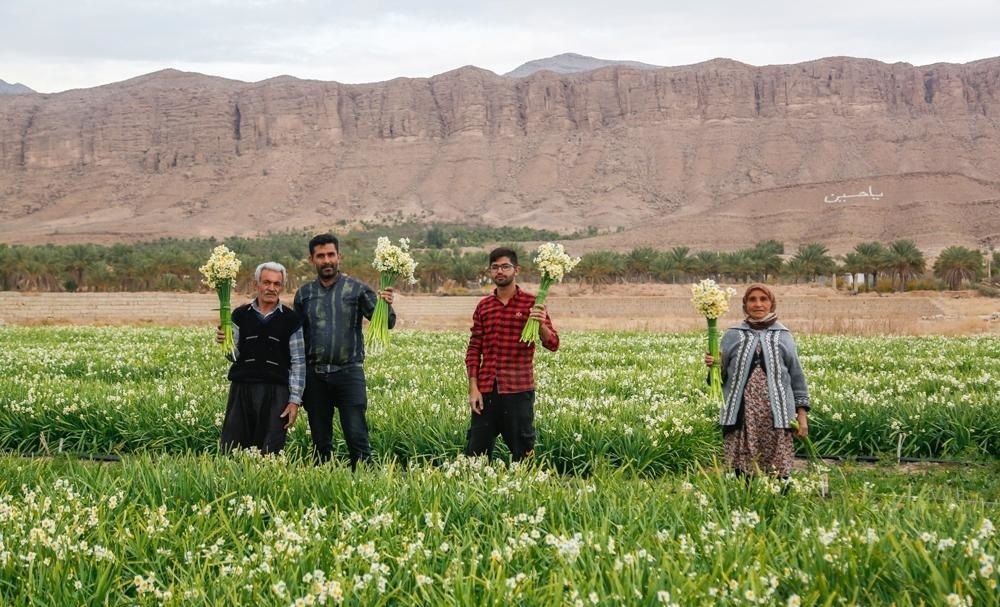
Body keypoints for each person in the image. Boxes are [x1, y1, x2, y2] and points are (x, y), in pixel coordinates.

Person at [294, 233, 395, 468]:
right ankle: (323, 484)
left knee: (357, 435)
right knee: (320, 441)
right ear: (312, 260)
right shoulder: (304, 294)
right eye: (321, 256)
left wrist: (386, 304)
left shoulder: (357, 290)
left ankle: (363, 483)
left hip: (349, 373)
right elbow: (296, 337)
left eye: (331, 254)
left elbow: (386, 322)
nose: (327, 260)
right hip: (315, 375)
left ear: (339, 256)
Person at [704, 284, 809, 478]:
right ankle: (742, 503)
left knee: (777, 473)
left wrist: (801, 416)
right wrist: (714, 367)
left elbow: (796, 377)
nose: (758, 304)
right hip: (742, 416)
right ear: (745, 304)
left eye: (763, 299)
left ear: (772, 303)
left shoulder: (783, 336)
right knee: (742, 472)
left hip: (776, 415)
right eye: (752, 299)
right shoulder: (733, 334)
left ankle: (775, 503)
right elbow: (717, 382)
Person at [465, 247, 559, 461]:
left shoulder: (532, 303)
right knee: (475, 456)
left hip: (519, 390)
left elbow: (553, 343)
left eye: (505, 266)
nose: (500, 271)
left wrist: (540, 323)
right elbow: (474, 349)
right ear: (490, 271)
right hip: (486, 391)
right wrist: (474, 388)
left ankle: (525, 492)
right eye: (495, 267)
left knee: (523, 453)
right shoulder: (484, 307)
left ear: (516, 270)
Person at [218, 261, 305, 454]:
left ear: (282, 287)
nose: (271, 288)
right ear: (256, 284)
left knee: (270, 451)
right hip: (242, 389)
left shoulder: (292, 320)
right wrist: (226, 342)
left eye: (276, 284)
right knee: (233, 449)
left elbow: (298, 362)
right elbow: (234, 357)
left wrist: (294, 400)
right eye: (266, 282)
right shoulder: (239, 315)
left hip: (277, 393)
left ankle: (263, 484)